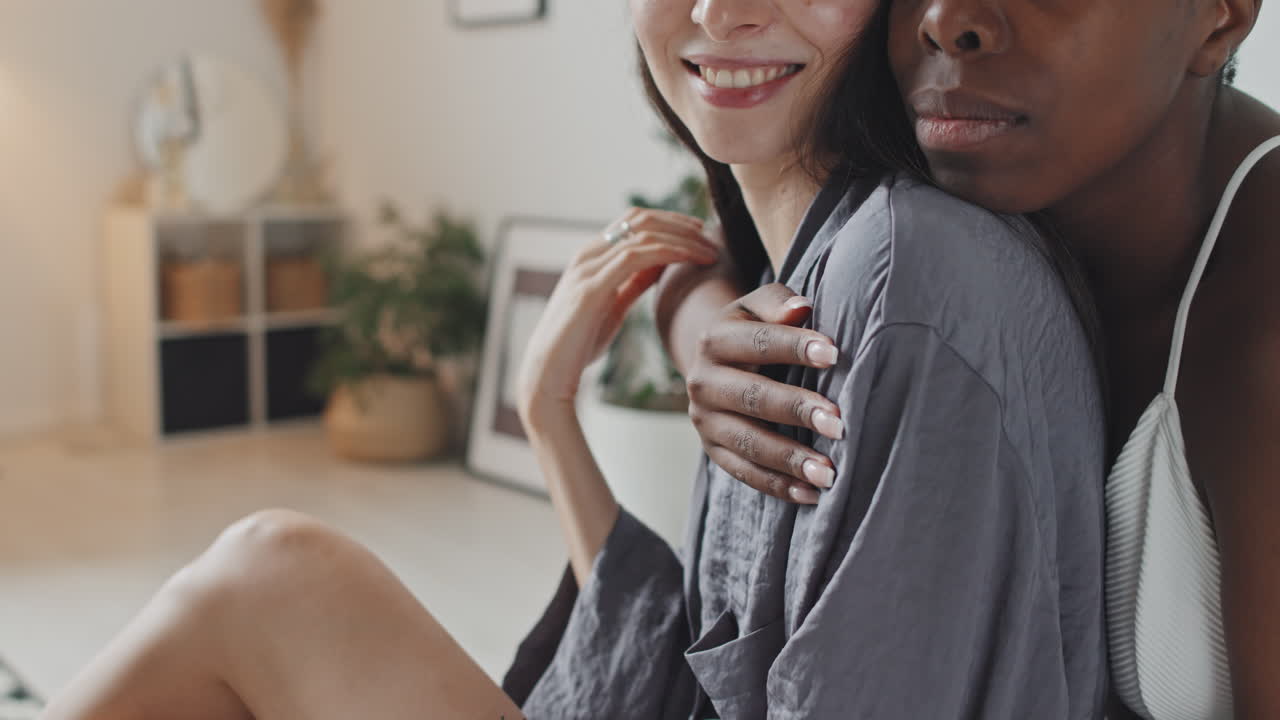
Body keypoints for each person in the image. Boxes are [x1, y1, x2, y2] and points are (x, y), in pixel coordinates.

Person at [39, 1, 1108, 718]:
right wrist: (546, 411)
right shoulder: (814, 257)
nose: (715, 9)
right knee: (273, 567)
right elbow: (702, 649)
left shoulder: (901, 279)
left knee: (266, 576)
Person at [655, 0, 1279, 717]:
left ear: (1221, 17)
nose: (946, 18)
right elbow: (717, 241)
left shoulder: (1263, 323)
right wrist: (709, 336)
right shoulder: (974, 156)